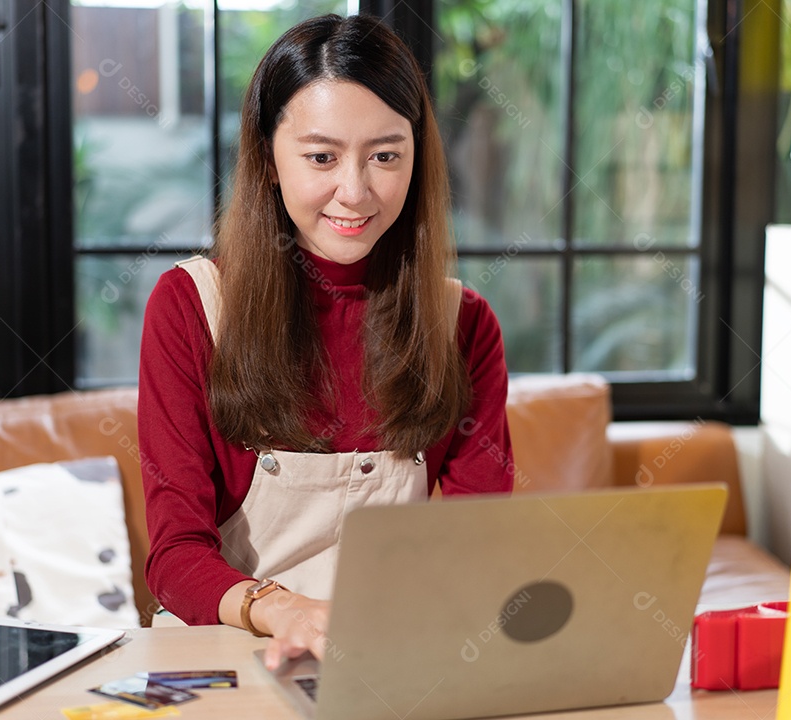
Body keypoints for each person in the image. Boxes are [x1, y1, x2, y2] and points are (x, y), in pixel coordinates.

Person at [137, 13, 513, 670]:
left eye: (385, 156)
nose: (355, 191)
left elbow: (480, 545)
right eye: (321, 156)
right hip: (228, 656)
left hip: (386, 661)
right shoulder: (190, 307)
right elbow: (173, 558)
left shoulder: (464, 325)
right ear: (270, 160)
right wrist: (284, 609)